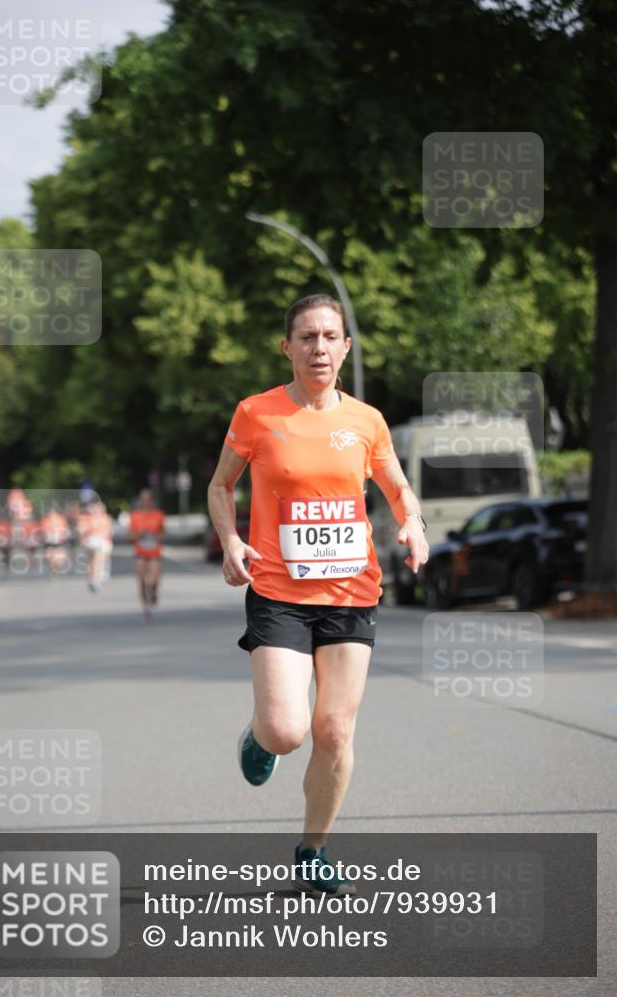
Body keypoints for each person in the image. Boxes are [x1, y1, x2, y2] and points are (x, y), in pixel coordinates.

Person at [207, 294, 429, 897]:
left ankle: (313, 849)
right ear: (287, 347)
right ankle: (259, 736)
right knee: (287, 731)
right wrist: (230, 541)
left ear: (346, 347)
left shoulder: (367, 420)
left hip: (352, 591)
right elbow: (221, 485)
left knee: (334, 730)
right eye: (307, 337)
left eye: (331, 336)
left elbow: (399, 488)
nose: (320, 348)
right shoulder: (256, 414)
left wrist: (412, 523)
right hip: (278, 591)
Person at [128, 489, 165, 620]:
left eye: (148, 499)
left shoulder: (158, 515)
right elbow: (130, 537)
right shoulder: (135, 516)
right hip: (140, 553)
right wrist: (140, 534)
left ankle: (154, 591)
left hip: (155, 552)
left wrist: (156, 536)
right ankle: (146, 606)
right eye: (143, 499)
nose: (145, 502)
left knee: (154, 579)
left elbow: (162, 533)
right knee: (142, 581)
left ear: (152, 501)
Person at [79, 501, 113, 592]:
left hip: (102, 542)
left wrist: (108, 542)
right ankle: (91, 578)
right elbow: (82, 532)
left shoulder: (105, 518)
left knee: (99, 560)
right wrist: (84, 541)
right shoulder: (86, 519)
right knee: (91, 561)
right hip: (90, 541)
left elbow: (108, 532)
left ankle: (97, 578)